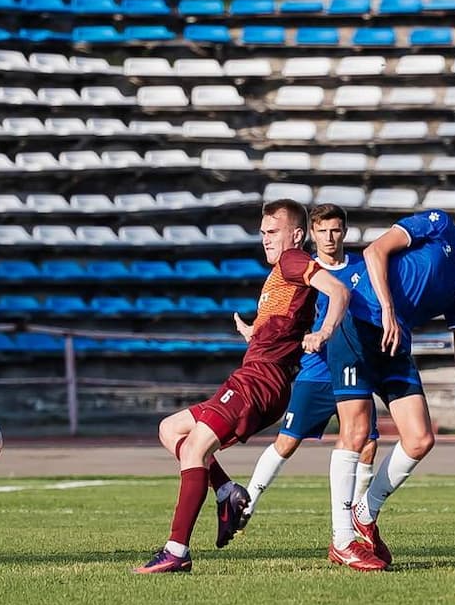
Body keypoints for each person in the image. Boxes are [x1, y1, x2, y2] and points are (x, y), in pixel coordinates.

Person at [134, 198, 349, 574]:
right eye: (262, 232)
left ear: (296, 235)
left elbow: (338, 291)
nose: (264, 238)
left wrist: (325, 331)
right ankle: (225, 492)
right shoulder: (282, 272)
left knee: (195, 449)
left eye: (272, 231)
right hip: (258, 375)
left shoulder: (292, 260)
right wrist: (255, 332)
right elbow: (286, 325)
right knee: (171, 430)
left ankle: (176, 551)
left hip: (259, 381)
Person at [330, 200, 455, 570]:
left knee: (420, 439)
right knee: (355, 433)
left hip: (393, 339)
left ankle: (364, 513)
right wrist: (387, 308)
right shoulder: (438, 224)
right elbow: (375, 250)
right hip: (358, 320)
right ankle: (342, 540)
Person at [240, 203, 379, 521]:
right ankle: (247, 503)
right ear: (311, 234)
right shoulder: (304, 269)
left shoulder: (362, 267)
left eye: (335, 230)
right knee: (287, 441)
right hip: (317, 369)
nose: (329, 237)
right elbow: (279, 312)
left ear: (344, 232)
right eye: (323, 230)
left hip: (354, 367)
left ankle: (360, 517)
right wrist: (256, 330)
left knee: (367, 443)